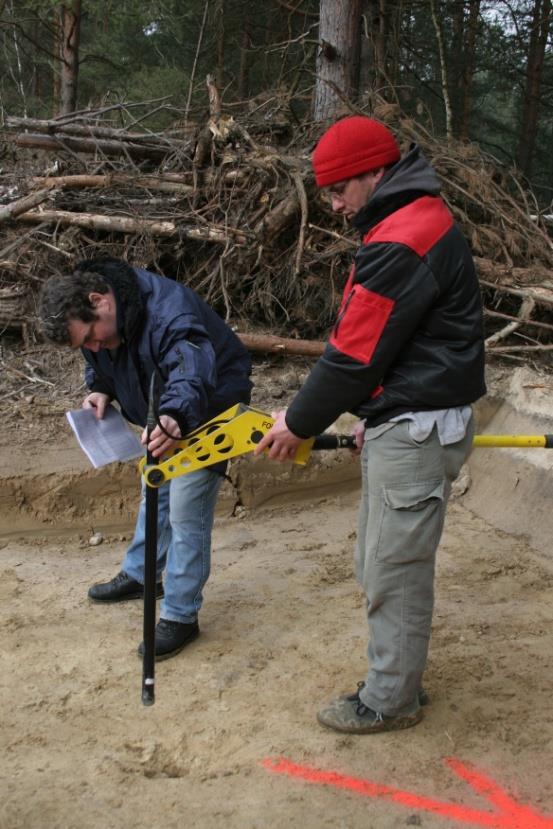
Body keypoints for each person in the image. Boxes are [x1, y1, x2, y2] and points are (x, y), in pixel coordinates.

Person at [255, 116, 486, 733]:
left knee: (395, 572)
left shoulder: (400, 239)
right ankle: (399, 679)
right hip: (410, 420)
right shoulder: (411, 222)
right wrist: (377, 416)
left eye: (338, 191)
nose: (332, 205)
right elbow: (396, 347)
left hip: (417, 430)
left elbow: (353, 356)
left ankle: (390, 700)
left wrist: (298, 423)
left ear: (375, 173)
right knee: (381, 560)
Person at [39, 257, 252, 660]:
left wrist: (175, 415)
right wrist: (100, 386)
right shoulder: (103, 323)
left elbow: (191, 366)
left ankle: (180, 615)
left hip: (210, 404)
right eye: (84, 345)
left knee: (187, 510)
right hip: (166, 410)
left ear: (99, 300)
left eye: (91, 337)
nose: (93, 347)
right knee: (153, 484)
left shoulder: (167, 309)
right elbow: (102, 360)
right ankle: (143, 575)